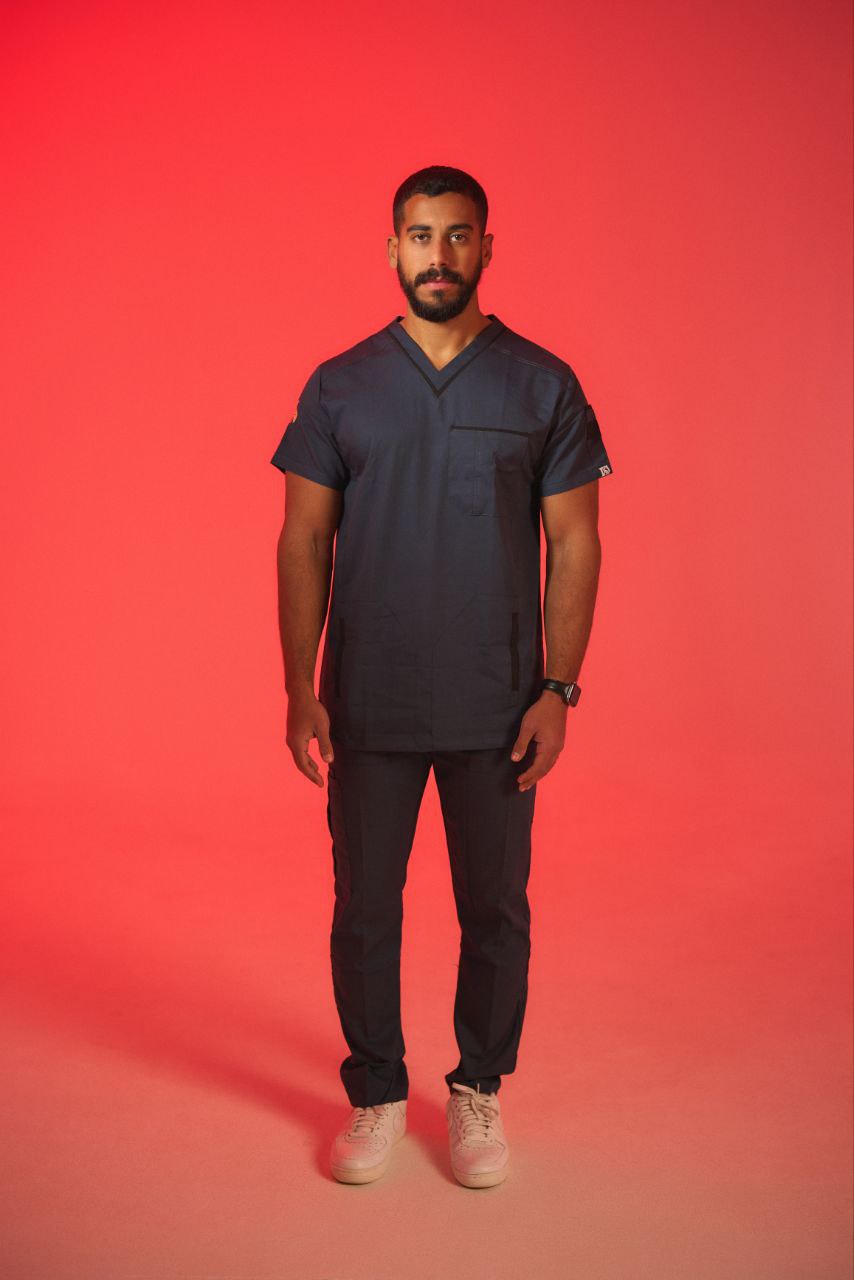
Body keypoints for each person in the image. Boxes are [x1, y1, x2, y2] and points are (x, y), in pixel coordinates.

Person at [270, 165, 614, 1188]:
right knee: (364, 908)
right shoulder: (340, 386)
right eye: (419, 236)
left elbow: (576, 540)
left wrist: (559, 688)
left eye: (457, 235)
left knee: (495, 909)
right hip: (369, 697)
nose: (438, 254)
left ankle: (477, 1088)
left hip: (495, 702)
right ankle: (377, 1091)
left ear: (486, 248)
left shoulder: (542, 384)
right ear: (392, 250)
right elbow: (303, 538)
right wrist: (300, 687)